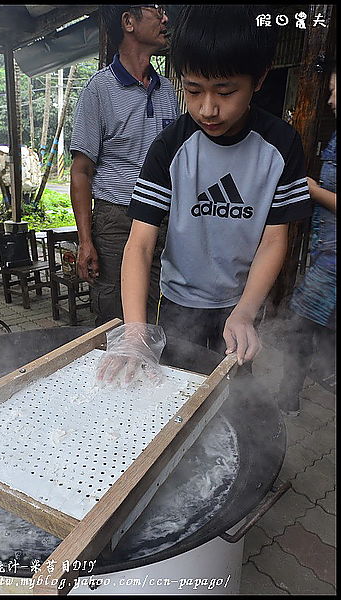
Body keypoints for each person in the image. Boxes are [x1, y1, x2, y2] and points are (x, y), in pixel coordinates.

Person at [97, 5, 313, 386]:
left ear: (259, 79)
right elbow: (140, 244)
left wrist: (246, 312)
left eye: (225, 92)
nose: (208, 108)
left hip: (241, 301)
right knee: (176, 390)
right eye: (193, 90)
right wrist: (133, 334)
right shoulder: (170, 146)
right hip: (178, 303)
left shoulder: (281, 145)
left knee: (233, 393)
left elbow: (275, 238)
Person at [70, 4, 180, 326]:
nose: (165, 18)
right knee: (117, 318)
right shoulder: (99, 90)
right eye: (155, 10)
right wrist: (86, 240)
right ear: (128, 22)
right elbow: (81, 171)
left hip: (162, 219)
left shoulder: (167, 92)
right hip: (117, 220)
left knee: (158, 312)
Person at [277, 61, 336, 416]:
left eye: (332, 90)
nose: (328, 100)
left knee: (300, 325)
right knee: (309, 325)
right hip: (324, 252)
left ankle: (288, 399)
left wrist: (313, 190)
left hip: (332, 262)